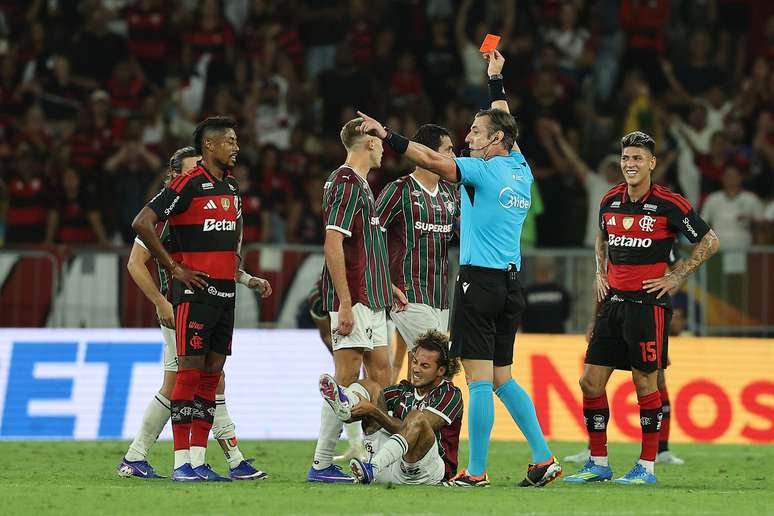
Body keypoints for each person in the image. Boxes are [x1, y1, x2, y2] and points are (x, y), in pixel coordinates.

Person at [356, 49, 561, 488]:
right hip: (511, 285)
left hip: (479, 284)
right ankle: (543, 457)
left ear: (495, 140)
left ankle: (477, 471)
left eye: (476, 131)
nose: (469, 136)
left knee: (480, 382)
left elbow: (430, 160)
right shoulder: (520, 168)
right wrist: (496, 81)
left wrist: (387, 134)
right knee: (504, 379)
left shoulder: (480, 172)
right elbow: (505, 121)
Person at [563, 131, 719, 486]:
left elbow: (710, 241)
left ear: (652, 163)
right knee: (590, 382)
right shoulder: (610, 199)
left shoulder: (669, 203)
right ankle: (598, 462)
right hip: (613, 304)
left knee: (645, 382)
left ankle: (646, 466)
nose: (630, 164)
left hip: (648, 307)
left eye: (637, 158)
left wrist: (677, 275)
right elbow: (601, 239)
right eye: (626, 158)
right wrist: (600, 273)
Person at [117, 146, 270, 481]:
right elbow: (135, 264)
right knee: (201, 379)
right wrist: (160, 301)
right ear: (175, 175)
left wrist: (246, 279)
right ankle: (229, 459)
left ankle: (138, 456)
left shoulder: (203, 205)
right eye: (190, 170)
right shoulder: (166, 214)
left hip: (202, 301)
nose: (198, 176)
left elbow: (216, 262)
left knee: (186, 381)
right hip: (180, 306)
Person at [307, 118, 400, 483]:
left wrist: (386, 285)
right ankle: (321, 463)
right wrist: (345, 302)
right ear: (369, 143)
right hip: (355, 296)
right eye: (380, 141)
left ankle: (378, 459)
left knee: (382, 374)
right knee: (345, 376)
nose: (384, 148)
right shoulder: (346, 182)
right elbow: (333, 243)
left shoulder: (360, 183)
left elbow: (363, 246)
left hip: (372, 295)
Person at [319, 331, 463, 485]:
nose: (415, 369)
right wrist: (354, 411)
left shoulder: (449, 395)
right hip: (389, 466)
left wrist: (373, 410)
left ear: (441, 371)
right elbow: (369, 405)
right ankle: (346, 405)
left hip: (425, 473)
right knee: (371, 388)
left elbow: (416, 431)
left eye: (424, 366)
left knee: (417, 418)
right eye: (415, 362)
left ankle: (372, 468)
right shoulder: (403, 390)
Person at [376, 124, 459, 380]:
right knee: (438, 366)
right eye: (448, 149)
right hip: (407, 295)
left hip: (440, 299)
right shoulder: (398, 190)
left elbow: (468, 234)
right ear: (428, 153)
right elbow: (370, 236)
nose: (454, 156)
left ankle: (382, 406)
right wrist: (384, 282)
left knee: (425, 373)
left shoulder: (450, 194)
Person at [306, 275, 367, 463]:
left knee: (374, 378)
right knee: (346, 379)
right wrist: (341, 357)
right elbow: (326, 334)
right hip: (342, 326)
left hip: (369, 312)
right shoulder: (317, 299)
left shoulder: (364, 285)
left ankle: (370, 445)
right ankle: (355, 445)